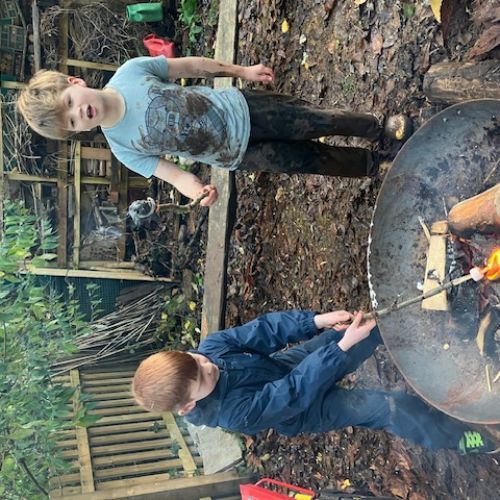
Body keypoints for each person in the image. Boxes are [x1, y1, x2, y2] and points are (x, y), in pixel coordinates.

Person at [17, 56, 410, 207]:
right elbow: (174, 174)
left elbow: (191, 66)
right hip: (240, 154)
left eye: (70, 102)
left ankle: (376, 129)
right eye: (72, 122)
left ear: (75, 82)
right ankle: (372, 165)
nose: (79, 113)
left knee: (317, 120)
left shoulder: (131, 73)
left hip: (246, 108)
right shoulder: (122, 147)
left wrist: (242, 72)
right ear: (76, 132)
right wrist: (197, 191)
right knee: (310, 159)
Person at [132, 309, 498, 454]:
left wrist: (315, 322)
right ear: (188, 406)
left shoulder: (210, 350)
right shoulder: (234, 414)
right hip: (302, 409)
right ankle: (467, 440)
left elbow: (263, 330)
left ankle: (446, 335)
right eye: (201, 376)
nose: (207, 364)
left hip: (285, 367)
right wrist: (340, 349)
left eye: (195, 358)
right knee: (386, 407)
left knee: (365, 330)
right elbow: (292, 392)